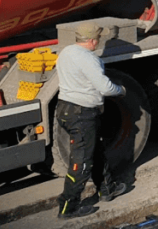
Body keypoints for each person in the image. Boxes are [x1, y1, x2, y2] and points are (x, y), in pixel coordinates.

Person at [55, 22, 127, 219]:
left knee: (95, 150)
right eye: (98, 39)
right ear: (93, 40)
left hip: (65, 108)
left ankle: (107, 189)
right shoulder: (89, 59)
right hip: (82, 113)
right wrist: (120, 90)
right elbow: (105, 88)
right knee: (82, 161)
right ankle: (68, 207)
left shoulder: (66, 52)